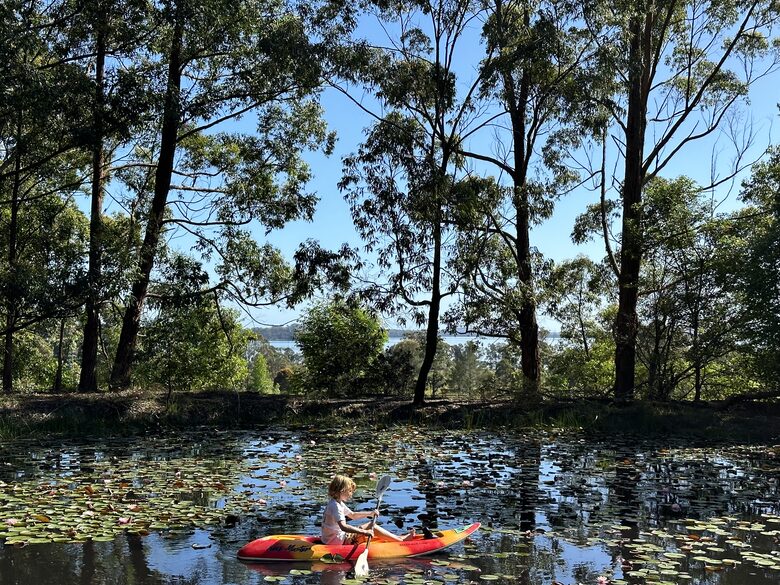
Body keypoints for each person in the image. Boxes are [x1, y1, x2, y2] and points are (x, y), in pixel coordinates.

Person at [321, 474, 416, 545]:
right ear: (342, 490)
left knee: (370, 525)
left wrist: (370, 513)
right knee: (372, 526)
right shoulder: (336, 506)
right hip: (339, 542)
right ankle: (402, 541)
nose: (351, 494)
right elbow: (343, 527)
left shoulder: (335, 503)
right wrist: (365, 532)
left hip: (332, 539)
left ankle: (398, 537)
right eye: (349, 491)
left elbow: (352, 515)